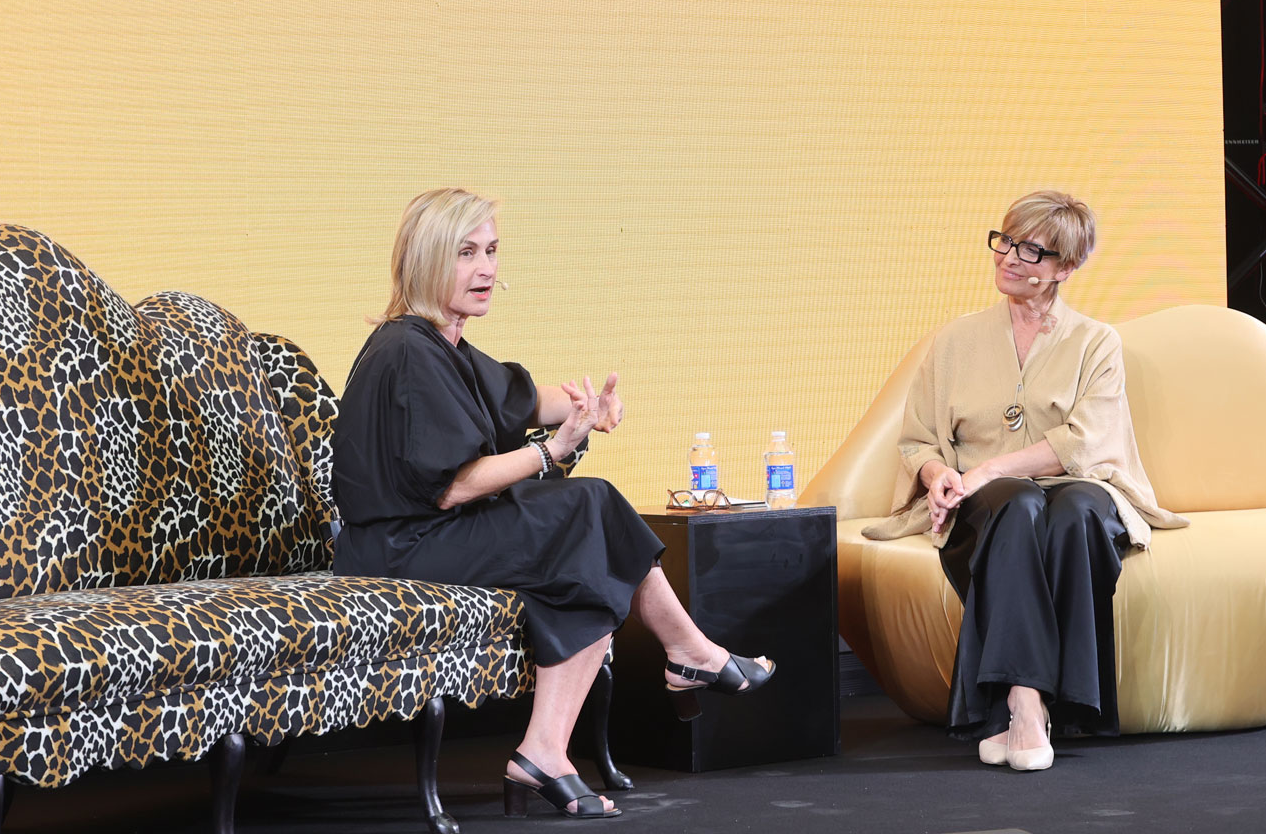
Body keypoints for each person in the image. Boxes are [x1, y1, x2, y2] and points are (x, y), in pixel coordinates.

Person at [332, 188, 774, 819]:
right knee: (587, 509)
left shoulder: (444, 345)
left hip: (431, 534)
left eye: (491, 251)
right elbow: (453, 486)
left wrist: (588, 409)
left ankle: (548, 749)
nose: (486, 269)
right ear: (428, 260)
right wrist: (551, 451)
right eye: (466, 253)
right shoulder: (406, 351)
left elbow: (521, 400)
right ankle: (689, 655)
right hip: (397, 548)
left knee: (588, 542)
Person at [862, 191, 1184, 771]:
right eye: (1006, 241)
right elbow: (917, 442)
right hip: (990, 502)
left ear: (1066, 267)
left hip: (1073, 485)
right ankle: (1029, 703)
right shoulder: (954, 341)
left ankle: (1011, 707)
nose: (1009, 257)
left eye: (1031, 251)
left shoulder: (1095, 342)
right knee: (1016, 504)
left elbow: (1083, 442)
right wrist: (939, 475)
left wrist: (985, 468)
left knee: (1077, 510)